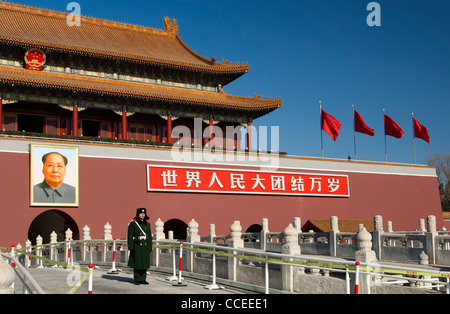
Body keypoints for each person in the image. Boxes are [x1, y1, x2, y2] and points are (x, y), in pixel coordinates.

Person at [127, 208, 153, 285]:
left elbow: (149, 237)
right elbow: (130, 236)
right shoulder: (133, 224)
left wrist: (149, 247)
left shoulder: (147, 224)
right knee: (137, 263)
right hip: (137, 246)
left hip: (145, 246)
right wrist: (131, 247)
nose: (142, 215)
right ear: (138, 214)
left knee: (144, 263)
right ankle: (137, 279)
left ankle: (143, 279)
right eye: (141, 214)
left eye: (144, 213)